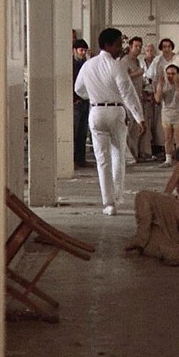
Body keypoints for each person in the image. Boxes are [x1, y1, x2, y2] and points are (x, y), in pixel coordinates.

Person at [75, 28, 147, 216]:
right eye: (118, 44)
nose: (121, 48)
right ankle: (117, 197)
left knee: (102, 160)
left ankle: (108, 203)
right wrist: (139, 117)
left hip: (96, 112)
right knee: (118, 155)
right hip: (116, 111)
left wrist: (93, 96)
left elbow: (78, 89)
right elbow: (127, 93)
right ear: (108, 45)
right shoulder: (117, 66)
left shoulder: (88, 65)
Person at [155, 64, 179, 167]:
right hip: (167, 113)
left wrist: (178, 86)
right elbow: (158, 99)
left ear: (178, 74)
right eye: (168, 74)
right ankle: (168, 159)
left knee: (178, 139)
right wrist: (160, 86)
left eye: (173, 74)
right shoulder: (163, 83)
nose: (170, 76)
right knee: (167, 138)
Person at [120, 36, 148, 164]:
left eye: (140, 46)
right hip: (128, 99)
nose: (138, 49)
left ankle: (135, 153)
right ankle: (128, 155)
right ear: (130, 47)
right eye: (136, 46)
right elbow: (122, 78)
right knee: (130, 127)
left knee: (137, 128)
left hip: (138, 96)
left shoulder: (138, 61)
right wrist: (137, 73)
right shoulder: (125, 61)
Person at [72, 39, 90, 168]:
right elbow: (71, 82)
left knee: (82, 132)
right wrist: (74, 98)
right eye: (81, 50)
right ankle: (72, 160)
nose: (83, 53)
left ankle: (81, 159)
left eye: (85, 51)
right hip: (76, 103)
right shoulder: (71, 65)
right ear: (75, 50)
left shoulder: (85, 64)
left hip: (85, 101)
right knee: (74, 131)